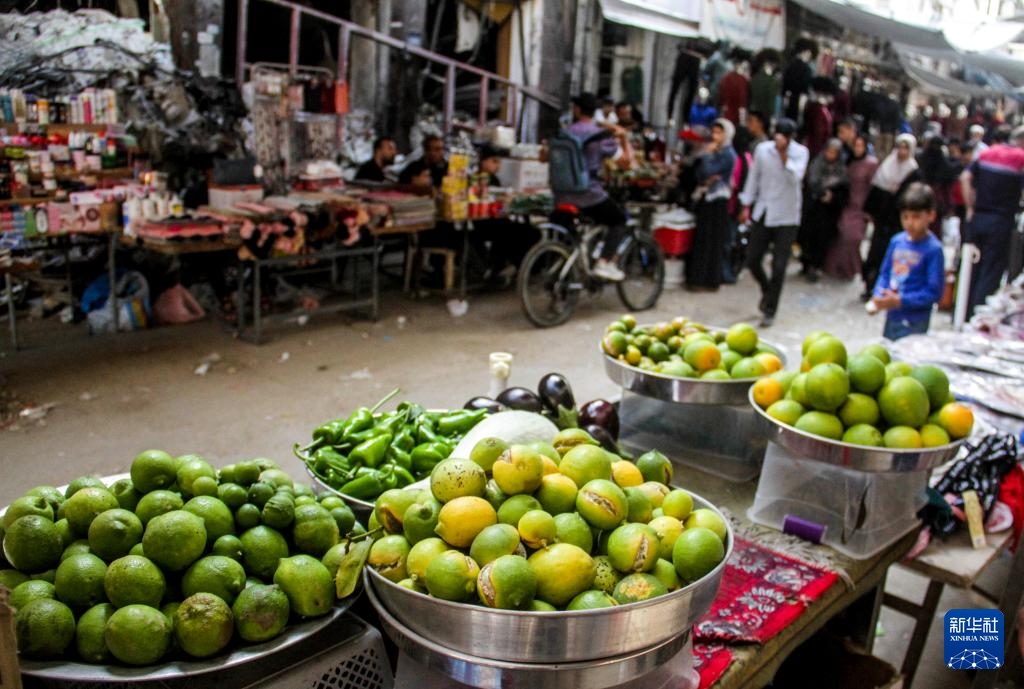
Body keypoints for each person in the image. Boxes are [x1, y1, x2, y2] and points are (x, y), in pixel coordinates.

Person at [555, 93, 633, 282]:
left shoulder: (564, 132)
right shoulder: (599, 135)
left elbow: (544, 157)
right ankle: (605, 262)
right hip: (589, 195)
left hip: (561, 195)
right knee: (618, 220)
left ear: (577, 110)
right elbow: (626, 163)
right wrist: (624, 138)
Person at [739, 118, 810, 326]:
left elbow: (795, 178)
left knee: (779, 266)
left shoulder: (800, 153)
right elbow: (754, 178)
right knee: (752, 258)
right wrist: (746, 204)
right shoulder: (762, 150)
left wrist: (783, 156)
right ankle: (767, 289)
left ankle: (770, 309)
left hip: (787, 216)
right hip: (764, 210)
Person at [962, 124, 1024, 316]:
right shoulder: (1020, 159)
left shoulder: (988, 152)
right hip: (1001, 222)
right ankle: (977, 317)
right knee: (990, 273)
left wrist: (969, 207)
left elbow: (965, 177)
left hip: (978, 218)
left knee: (970, 270)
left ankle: (963, 313)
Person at [870, 183, 944, 340]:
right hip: (892, 317)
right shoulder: (896, 241)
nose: (910, 222)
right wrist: (878, 295)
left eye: (916, 217)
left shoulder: (934, 249)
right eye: (905, 217)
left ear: (931, 215)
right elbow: (885, 273)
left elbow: (934, 292)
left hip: (916, 321)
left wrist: (901, 301)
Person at [862, 133, 920, 299]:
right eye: (900, 147)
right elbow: (875, 192)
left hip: (898, 223)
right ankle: (870, 286)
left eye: (905, 148)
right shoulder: (887, 166)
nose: (902, 151)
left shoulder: (913, 172)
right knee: (875, 254)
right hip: (882, 221)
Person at [687, 119, 737, 291]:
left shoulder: (728, 153)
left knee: (712, 240)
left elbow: (710, 171)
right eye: (714, 132)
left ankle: (709, 280)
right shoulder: (715, 151)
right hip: (707, 198)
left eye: (719, 133)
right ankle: (699, 279)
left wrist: (708, 157)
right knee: (702, 239)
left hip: (718, 200)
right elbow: (702, 174)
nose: (716, 136)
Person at [826, 135, 879, 280]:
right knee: (842, 235)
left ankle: (853, 268)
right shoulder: (848, 161)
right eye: (855, 145)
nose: (857, 149)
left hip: (861, 206)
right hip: (846, 203)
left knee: (853, 238)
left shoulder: (871, 164)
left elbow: (873, 187)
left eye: (860, 146)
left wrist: (870, 210)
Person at [799, 138, 848, 281]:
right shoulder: (817, 164)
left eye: (834, 152)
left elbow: (843, 191)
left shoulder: (841, 170)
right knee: (807, 238)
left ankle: (815, 266)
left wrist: (832, 197)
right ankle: (805, 263)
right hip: (813, 210)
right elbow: (810, 184)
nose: (830, 154)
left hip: (828, 214)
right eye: (829, 151)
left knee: (821, 241)